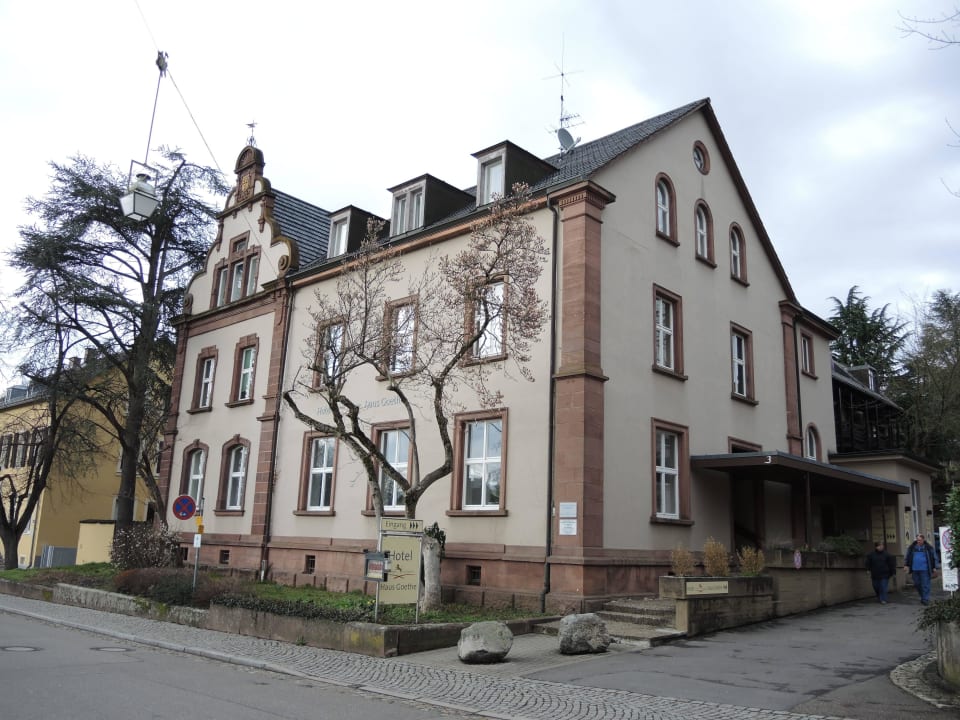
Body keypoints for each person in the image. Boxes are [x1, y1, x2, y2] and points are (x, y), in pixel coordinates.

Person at [904, 533, 938, 605]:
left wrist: (934, 567)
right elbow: (907, 556)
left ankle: (925, 599)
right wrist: (906, 565)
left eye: (920, 540)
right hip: (915, 569)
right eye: (917, 540)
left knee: (925, 585)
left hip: (925, 569)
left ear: (923, 540)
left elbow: (934, 557)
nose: (918, 541)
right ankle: (923, 596)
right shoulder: (912, 547)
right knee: (917, 584)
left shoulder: (928, 547)